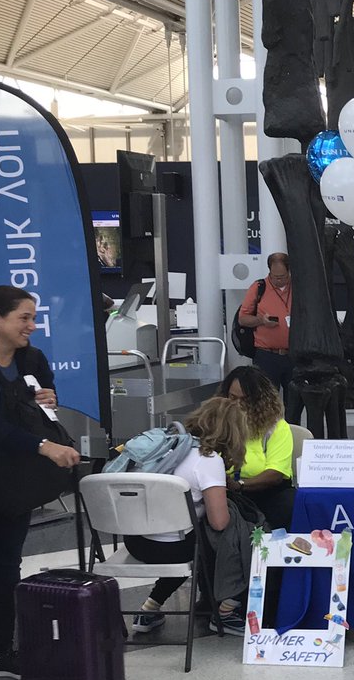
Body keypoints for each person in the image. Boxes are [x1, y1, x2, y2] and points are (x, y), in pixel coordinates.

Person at [0, 286, 81, 678]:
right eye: (24, 318)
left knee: (5, 564)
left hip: (15, 478)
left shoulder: (32, 359)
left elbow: (42, 408)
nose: (32, 325)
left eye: (33, 317)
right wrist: (42, 446)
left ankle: (0, 653)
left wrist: (48, 400)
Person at [125, 397, 250, 636]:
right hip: (173, 550)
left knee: (187, 532)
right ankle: (225, 611)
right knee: (235, 534)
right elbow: (219, 522)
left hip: (135, 541)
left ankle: (150, 608)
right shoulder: (208, 460)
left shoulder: (168, 447)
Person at [219, 365, 295, 529]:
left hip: (269, 494)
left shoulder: (277, 427)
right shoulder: (218, 424)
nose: (237, 405)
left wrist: (239, 485)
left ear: (260, 401)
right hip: (227, 493)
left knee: (288, 504)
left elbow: (275, 474)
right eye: (232, 398)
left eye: (245, 400)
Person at [237, 252, 293, 401]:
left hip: (293, 354)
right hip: (267, 355)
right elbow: (242, 319)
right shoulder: (258, 288)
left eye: (282, 277)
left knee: (294, 400)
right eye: (274, 277)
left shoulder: (298, 287)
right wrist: (261, 321)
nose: (278, 280)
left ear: (289, 271)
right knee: (266, 400)